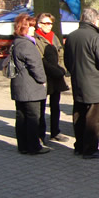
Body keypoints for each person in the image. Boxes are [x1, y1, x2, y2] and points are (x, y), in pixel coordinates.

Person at [64, 8, 99, 159]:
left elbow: (67, 61)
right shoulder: (96, 37)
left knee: (79, 114)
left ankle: (79, 146)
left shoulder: (71, 37)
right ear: (95, 20)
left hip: (78, 81)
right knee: (93, 118)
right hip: (95, 83)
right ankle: (90, 149)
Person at [10, 13, 49, 155]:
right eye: (31, 27)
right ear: (24, 28)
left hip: (19, 86)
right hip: (30, 87)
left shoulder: (16, 42)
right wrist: (42, 80)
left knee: (21, 116)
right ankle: (34, 146)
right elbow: (35, 66)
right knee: (33, 117)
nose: (34, 29)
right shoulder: (27, 45)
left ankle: (23, 145)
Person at [34, 12, 69, 143]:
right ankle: (40, 134)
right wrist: (55, 70)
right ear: (39, 24)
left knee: (55, 105)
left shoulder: (54, 37)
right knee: (41, 107)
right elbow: (40, 59)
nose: (49, 26)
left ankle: (55, 131)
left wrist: (62, 68)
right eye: (46, 23)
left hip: (56, 76)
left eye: (51, 23)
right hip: (44, 76)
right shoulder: (36, 38)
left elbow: (61, 53)